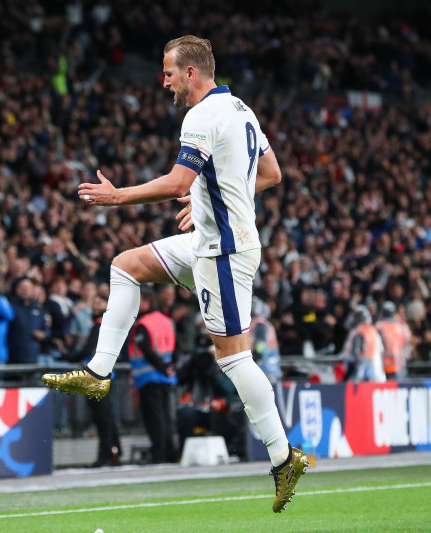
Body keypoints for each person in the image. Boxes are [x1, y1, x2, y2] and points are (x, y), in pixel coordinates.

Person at [42, 35, 308, 512]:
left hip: (223, 252)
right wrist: (214, 196)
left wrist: (119, 196)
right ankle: (98, 372)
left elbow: (176, 182)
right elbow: (271, 174)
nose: (163, 81)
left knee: (232, 359)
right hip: (210, 241)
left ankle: (282, 456)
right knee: (125, 266)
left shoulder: (201, 116)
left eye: (168, 72)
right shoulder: (242, 110)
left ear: (191, 72)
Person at [62, 292, 121, 467]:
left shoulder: (99, 325)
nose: (95, 307)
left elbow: (88, 349)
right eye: (94, 303)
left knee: (102, 418)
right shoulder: (108, 324)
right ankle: (115, 451)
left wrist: (68, 357)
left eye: (99, 303)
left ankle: (104, 456)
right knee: (107, 416)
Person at [129, 289, 177, 464]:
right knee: (165, 416)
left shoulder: (143, 324)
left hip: (149, 377)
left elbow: (147, 350)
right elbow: (175, 347)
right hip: (166, 376)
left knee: (154, 419)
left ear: (148, 301)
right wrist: (169, 367)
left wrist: (162, 367)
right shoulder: (167, 321)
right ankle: (170, 451)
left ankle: (159, 454)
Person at [8, 278, 48, 364]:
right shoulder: (10, 306)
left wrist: (43, 334)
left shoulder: (38, 308)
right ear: (17, 290)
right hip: (13, 356)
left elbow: (46, 329)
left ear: (32, 291)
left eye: (28, 288)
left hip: (32, 356)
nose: (25, 291)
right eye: (22, 288)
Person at [342, 306, 386, 383]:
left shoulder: (359, 331)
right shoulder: (373, 330)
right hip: (375, 366)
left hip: (362, 367)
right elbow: (381, 350)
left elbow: (356, 352)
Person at [375, 301, 412, 380]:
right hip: (398, 364)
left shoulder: (379, 326)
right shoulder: (402, 326)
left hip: (384, 365)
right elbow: (407, 345)